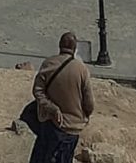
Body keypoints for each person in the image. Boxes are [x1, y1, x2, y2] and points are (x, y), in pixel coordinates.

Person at [29, 32, 94, 163]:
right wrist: (84, 115)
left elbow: (37, 91)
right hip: (72, 127)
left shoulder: (48, 63)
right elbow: (89, 103)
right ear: (75, 49)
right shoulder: (82, 69)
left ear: (59, 46)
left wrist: (52, 108)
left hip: (51, 124)